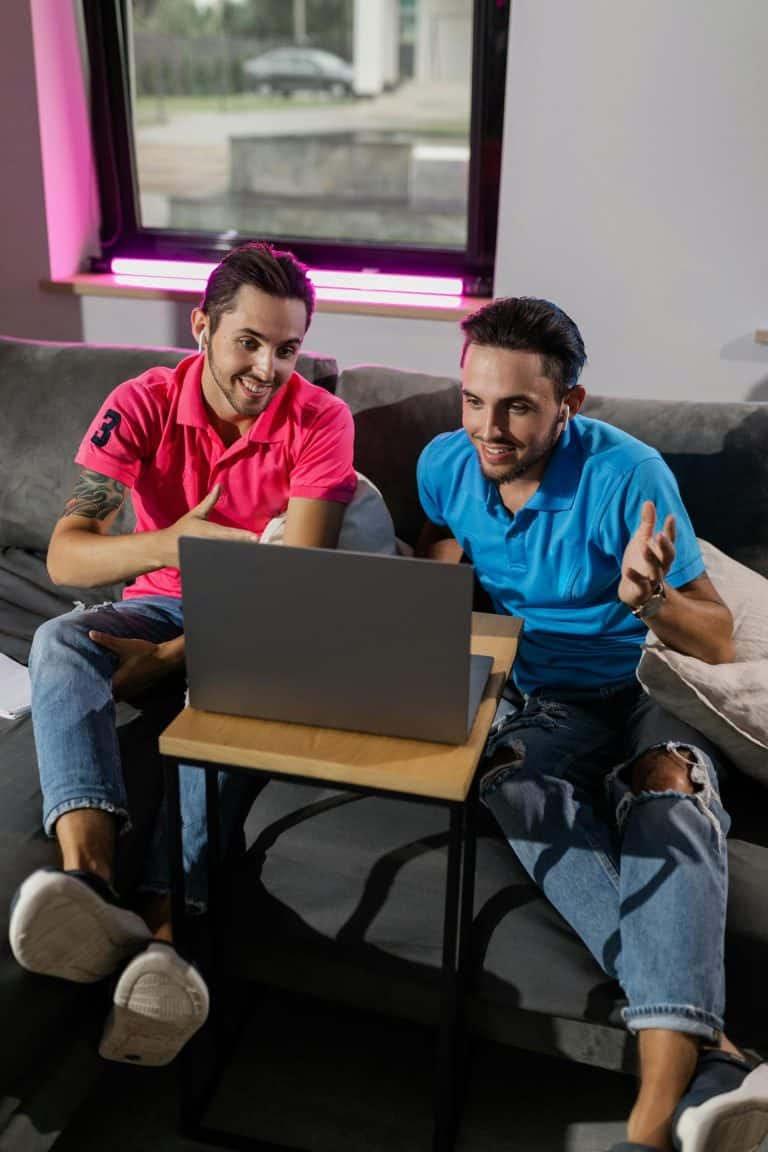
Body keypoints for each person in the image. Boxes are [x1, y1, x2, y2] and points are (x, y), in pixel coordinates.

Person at [415, 297, 768, 1152]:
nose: (487, 429)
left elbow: (716, 635)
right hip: (547, 702)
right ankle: (712, 1056)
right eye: (472, 400)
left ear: (569, 403)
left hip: (647, 681)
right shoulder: (445, 464)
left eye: (517, 407)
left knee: (670, 790)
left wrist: (649, 599)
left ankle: (649, 1123)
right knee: (506, 783)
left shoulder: (629, 475)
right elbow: (440, 546)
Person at [9, 241, 357, 1067]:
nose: (268, 367)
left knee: (229, 692)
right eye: (249, 342)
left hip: (270, 619)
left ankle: (168, 941)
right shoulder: (139, 403)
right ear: (202, 327)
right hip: (162, 592)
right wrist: (167, 539)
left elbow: (294, 586)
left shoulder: (321, 421)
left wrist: (172, 660)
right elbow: (65, 556)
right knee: (59, 638)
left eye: (287, 348)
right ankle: (88, 888)